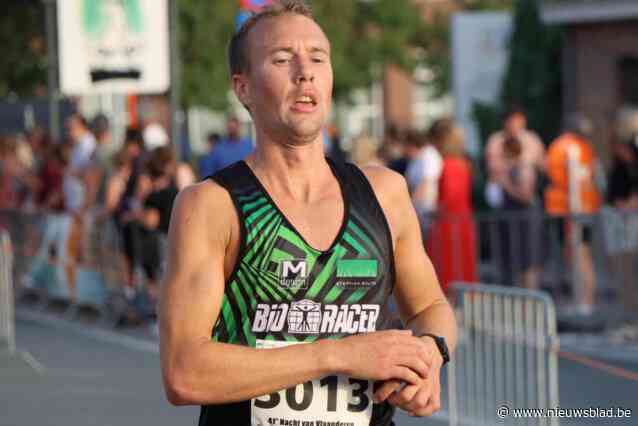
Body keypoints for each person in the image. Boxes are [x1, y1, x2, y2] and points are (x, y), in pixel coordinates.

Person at [160, 2, 457, 425]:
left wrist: (430, 352)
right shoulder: (212, 205)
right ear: (243, 88)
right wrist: (337, 355)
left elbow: (430, 305)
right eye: (282, 59)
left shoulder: (385, 193)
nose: (305, 71)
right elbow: (183, 372)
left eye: (318, 57)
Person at [545, 113, 602, 317]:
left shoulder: (565, 147)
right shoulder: (583, 148)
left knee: (580, 256)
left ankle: (585, 302)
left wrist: (573, 211)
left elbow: (571, 181)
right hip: (581, 208)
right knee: (581, 256)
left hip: (571, 210)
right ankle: (584, 300)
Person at [425, 119, 477, 293]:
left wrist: (433, 212)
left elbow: (449, 198)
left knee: (448, 269)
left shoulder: (449, 165)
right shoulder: (462, 163)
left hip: (449, 226)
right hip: (462, 222)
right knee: (461, 267)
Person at [498, 136, 542, 290]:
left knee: (528, 262)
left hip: (526, 222)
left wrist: (507, 185)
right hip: (516, 222)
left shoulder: (524, 167)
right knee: (518, 261)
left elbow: (526, 195)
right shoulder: (511, 168)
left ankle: (531, 299)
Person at [485, 106, 545, 208]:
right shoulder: (496, 140)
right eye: (512, 121)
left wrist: (524, 160)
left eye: (518, 120)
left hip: (528, 191)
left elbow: (542, 163)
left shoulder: (532, 139)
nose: (515, 124)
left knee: (526, 170)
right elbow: (493, 167)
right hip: (504, 192)